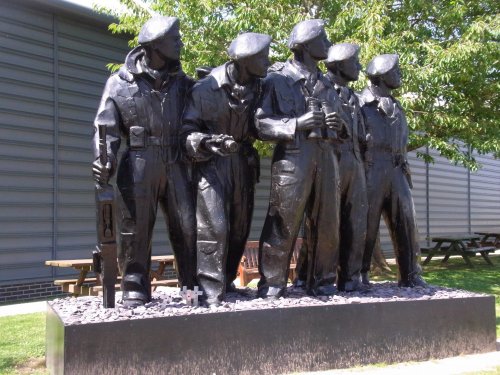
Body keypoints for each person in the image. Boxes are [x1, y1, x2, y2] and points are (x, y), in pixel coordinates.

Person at [92, 16, 197, 307]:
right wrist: (104, 158)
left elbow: (198, 121)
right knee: (135, 228)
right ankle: (134, 286)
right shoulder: (119, 83)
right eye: (174, 39)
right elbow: (105, 128)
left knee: (187, 226)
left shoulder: (185, 85)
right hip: (138, 161)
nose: (180, 43)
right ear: (155, 45)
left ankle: (191, 287)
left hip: (176, 161)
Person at [255, 19, 347, 298]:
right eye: (324, 39)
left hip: (327, 155)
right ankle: (272, 284)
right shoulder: (276, 79)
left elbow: (344, 129)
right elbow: (260, 124)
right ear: (307, 45)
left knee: (328, 222)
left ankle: (321, 282)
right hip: (294, 157)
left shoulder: (328, 85)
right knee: (283, 221)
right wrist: (296, 123)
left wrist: (337, 123)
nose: (329, 45)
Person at [181, 32, 272, 306]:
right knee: (214, 227)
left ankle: (227, 280)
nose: (268, 62)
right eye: (263, 58)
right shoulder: (205, 88)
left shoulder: (260, 88)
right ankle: (207, 292)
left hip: (242, 163)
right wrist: (207, 141)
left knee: (239, 227)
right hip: (212, 164)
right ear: (246, 61)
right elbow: (186, 131)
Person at [296, 43, 369, 292]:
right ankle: (307, 276)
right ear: (339, 65)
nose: (359, 66)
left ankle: (351, 278)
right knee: (322, 223)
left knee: (356, 221)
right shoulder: (321, 88)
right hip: (330, 158)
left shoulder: (354, 97)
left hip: (355, 161)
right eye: (355, 61)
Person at [359, 54, 426, 287]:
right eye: (395, 71)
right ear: (381, 75)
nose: (399, 75)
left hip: (398, 169)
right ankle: (359, 275)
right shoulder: (360, 105)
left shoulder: (398, 107)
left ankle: (411, 275)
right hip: (370, 169)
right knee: (365, 224)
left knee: (406, 222)